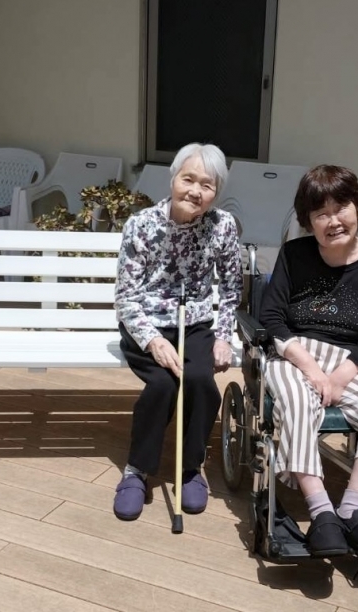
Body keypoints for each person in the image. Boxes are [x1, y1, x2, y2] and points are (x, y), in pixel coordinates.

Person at [259, 165, 358, 556]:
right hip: (294, 353)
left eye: (340, 207)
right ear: (308, 221)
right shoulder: (294, 254)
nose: (333, 220)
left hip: (351, 359)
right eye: (320, 213)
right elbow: (271, 317)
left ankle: (352, 508)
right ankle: (321, 510)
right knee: (295, 400)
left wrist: (343, 374)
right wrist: (309, 367)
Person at [113, 142, 243, 521]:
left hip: (195, 323)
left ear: (216, 192)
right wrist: (153, 341)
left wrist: (223, 335)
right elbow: (126, 297)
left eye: (207, 185)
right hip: (146, 324)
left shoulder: (222, 226)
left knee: (201, 382)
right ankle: (137, 470)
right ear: (173, 179)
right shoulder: (141, 225)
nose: (195, 191)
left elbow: (231, 288)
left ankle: (190, 467)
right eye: (188, 179)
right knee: (163, 385)